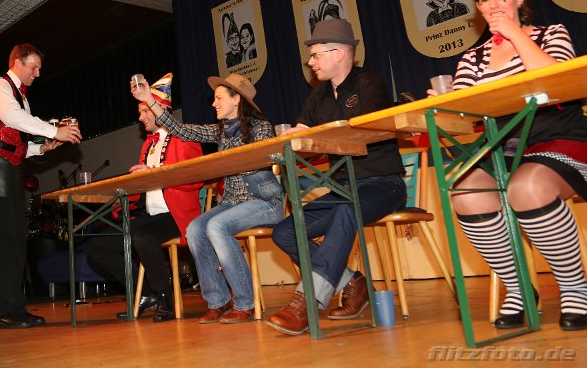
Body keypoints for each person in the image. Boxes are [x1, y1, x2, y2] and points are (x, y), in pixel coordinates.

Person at [431, 0, 587, 331]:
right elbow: (466, 114)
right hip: (504, 146)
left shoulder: (551, 33)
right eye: (485, 0)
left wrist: (515, 35)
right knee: (465, 191)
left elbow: (556, 82)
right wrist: (443, 106)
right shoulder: (472, 58)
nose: (493, 6)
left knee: (527, 186)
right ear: (478, 7)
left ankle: (574, 288)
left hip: (561, 135)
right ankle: (519, 288)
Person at [266, 19, 406, 335]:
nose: (311, 62)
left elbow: (361, 132)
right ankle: (354, 284)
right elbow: (302, 134)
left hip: (384, 184)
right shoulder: (317, 97)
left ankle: (308, 300)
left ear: (339, 53)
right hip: (342, 189)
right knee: (286, 232)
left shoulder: (370, 85)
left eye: (316, 55)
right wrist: (292, 137)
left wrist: (310, 134)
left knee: (347, 208)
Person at [132, 72, 284, 324]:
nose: (213, 104)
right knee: (194, 229)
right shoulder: (221, 131)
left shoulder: (262, 127)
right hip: (233, 203)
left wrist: (219, 164)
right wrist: (149, 99)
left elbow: (254, 162)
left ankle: (245, 302)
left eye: (219, 98)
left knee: (216, 226)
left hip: (264, 202)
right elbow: (181, 129)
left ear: (237, 99)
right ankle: (218, 300)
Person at [0, 43, 82, 329]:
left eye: (39, 68)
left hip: (9, 167)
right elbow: (12, 118)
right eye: (34, 67)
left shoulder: (22, 99)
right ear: (17, 63)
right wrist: (54, 130)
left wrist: (43, 147)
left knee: (17, 238)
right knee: (4, 237)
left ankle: (14, 308)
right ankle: (0, 311)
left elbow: (17, 144)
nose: (38, 73)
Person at [86, 73, 203, 322]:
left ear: (159, 108)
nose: (140, 118)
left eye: (144, 111)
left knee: (143, 238)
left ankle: (165, 298)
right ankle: (146, 294)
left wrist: (153, 172)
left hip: (176, 216)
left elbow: (195, 178)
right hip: (150, 215)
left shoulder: (185, 138)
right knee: (98, 246)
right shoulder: (147, 145)